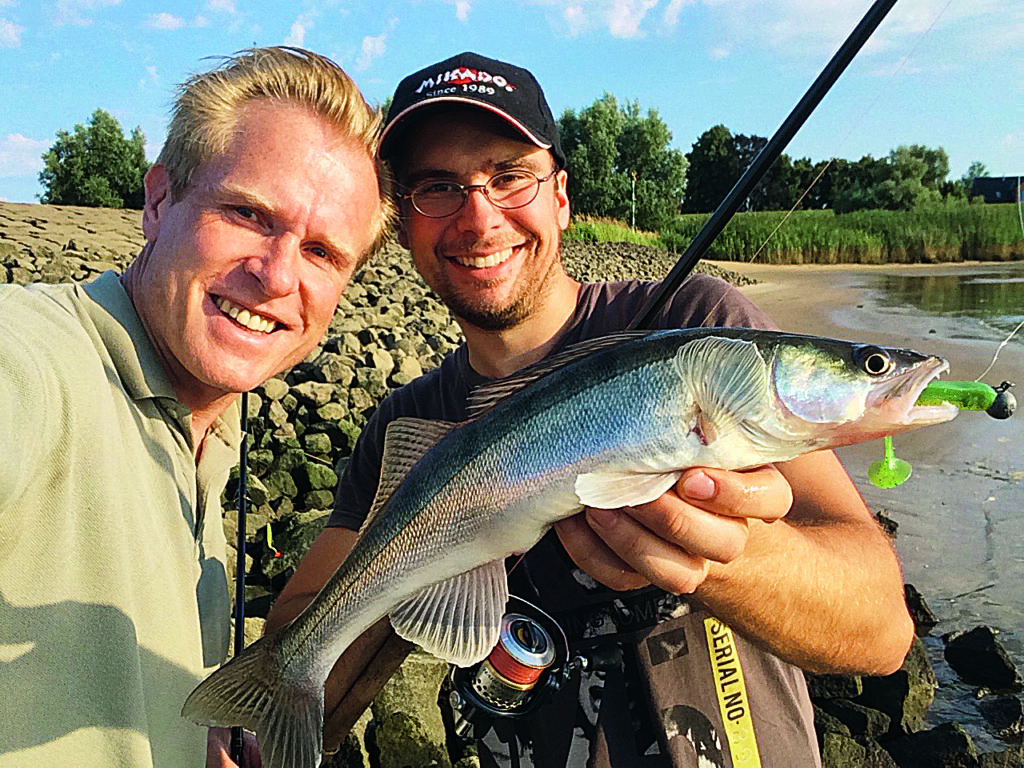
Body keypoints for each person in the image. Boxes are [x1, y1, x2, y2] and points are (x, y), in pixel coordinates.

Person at [266, 52, 914, 767]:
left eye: (509, 175)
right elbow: (304, 631)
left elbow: (882, 631)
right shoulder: (406, 430)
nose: (479, 218)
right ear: (405, 223)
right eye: (438, 188)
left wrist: (722, 555)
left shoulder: (704, 329)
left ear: (562, 196)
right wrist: (279, 696)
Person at [0, 47, 392, 768]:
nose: (276, 276)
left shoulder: (209, 438)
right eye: (246, 212)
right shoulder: (35, 362)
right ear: (158, 202)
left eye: (322, 253)